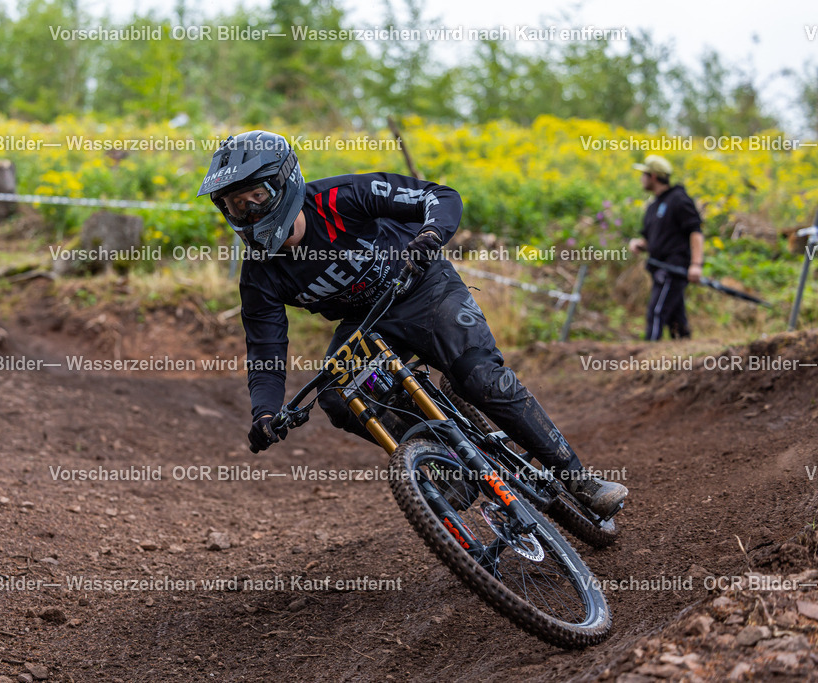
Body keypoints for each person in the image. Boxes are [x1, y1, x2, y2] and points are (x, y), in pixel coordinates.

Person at [198, 130, 627, 518]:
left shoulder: (341, 197)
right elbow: (265, 348)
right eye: (236, 205)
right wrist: (266, 411)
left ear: (285, 182)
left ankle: (580, 481)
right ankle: (445, 464)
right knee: (335, 394)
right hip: (368, 323)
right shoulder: (259, 274)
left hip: (424, 287)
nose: (249, 212)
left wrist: (430, 237)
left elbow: (439, 196)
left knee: (481, 378)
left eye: (256, 197)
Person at [628, 154, 705, 341]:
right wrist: (640, 244)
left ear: (653, 176)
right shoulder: (654, 205)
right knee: (675, 319)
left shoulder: (678, 199)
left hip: (674, 268)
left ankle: (646, 359)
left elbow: (695, 232)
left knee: (656, 312)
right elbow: (654, 238)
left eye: (643, 174)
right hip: (658, 266)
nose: (641, 179)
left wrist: (696, 264)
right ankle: (686, 355)